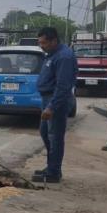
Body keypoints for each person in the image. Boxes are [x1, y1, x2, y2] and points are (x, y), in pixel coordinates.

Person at [34, 27, 77, 183]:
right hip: (47, 98)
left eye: (44, 43)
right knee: (45, 133)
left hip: (56, 100)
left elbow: (63, 86)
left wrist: (52, 107)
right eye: (40, 42)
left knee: (55, 137)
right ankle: (51, 167)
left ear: (54, 40)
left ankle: (54, 172)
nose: (41, 46)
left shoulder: (64, 57)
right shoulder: (52, 54)